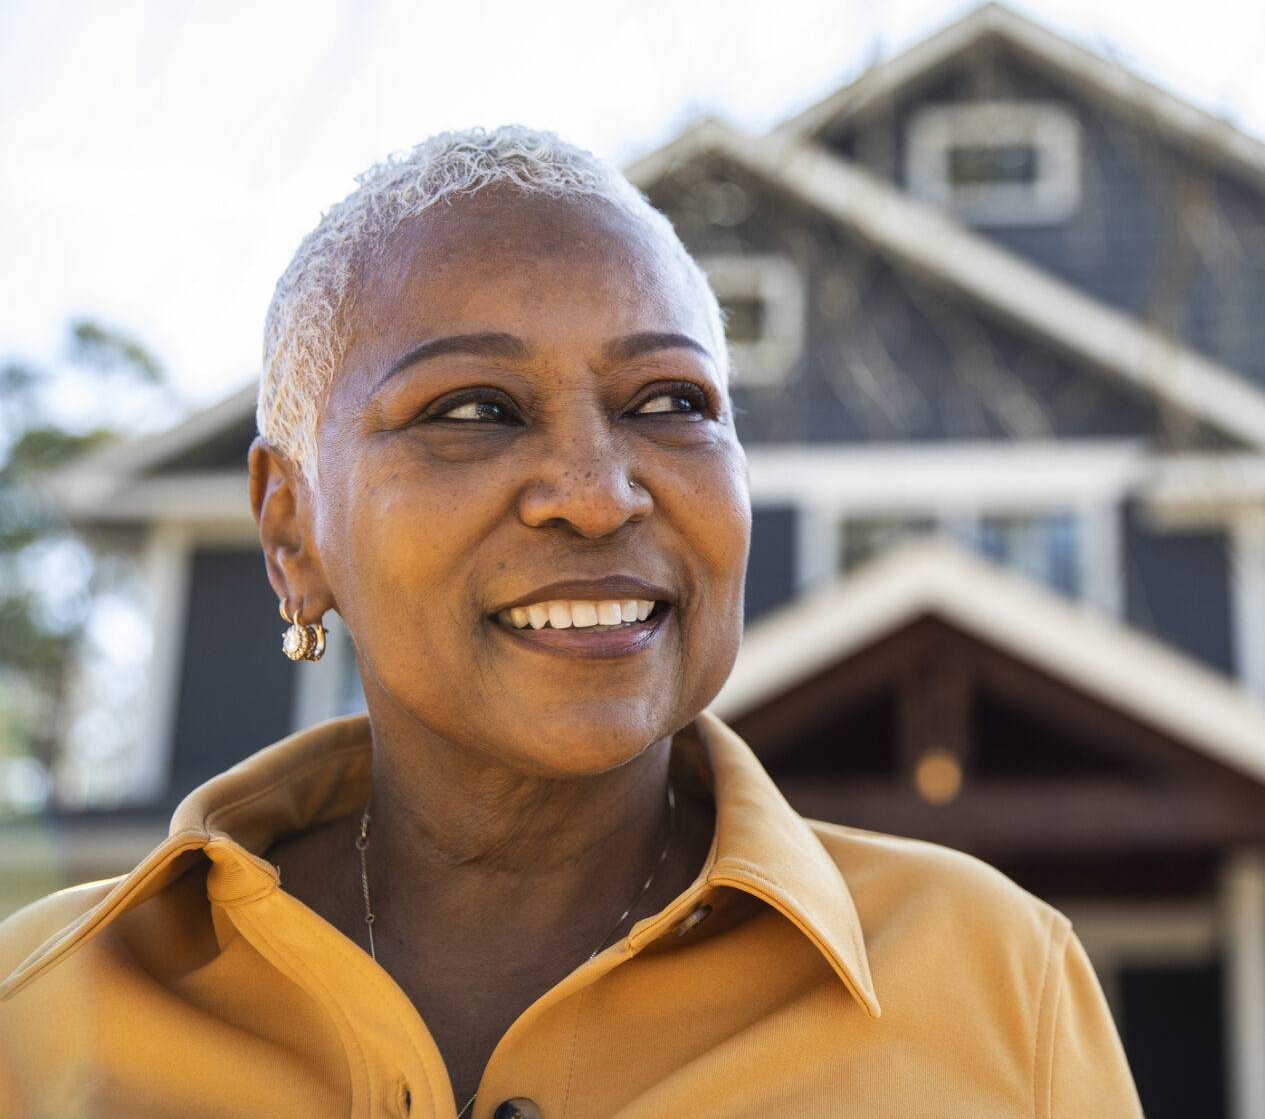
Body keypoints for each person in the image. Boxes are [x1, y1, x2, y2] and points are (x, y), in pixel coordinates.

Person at [0, 127, 1143, 1118]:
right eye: (474, 409)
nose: (597, 492)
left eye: (669, 403)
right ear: (292, 530)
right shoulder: (36, 1014)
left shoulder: (999, 989)